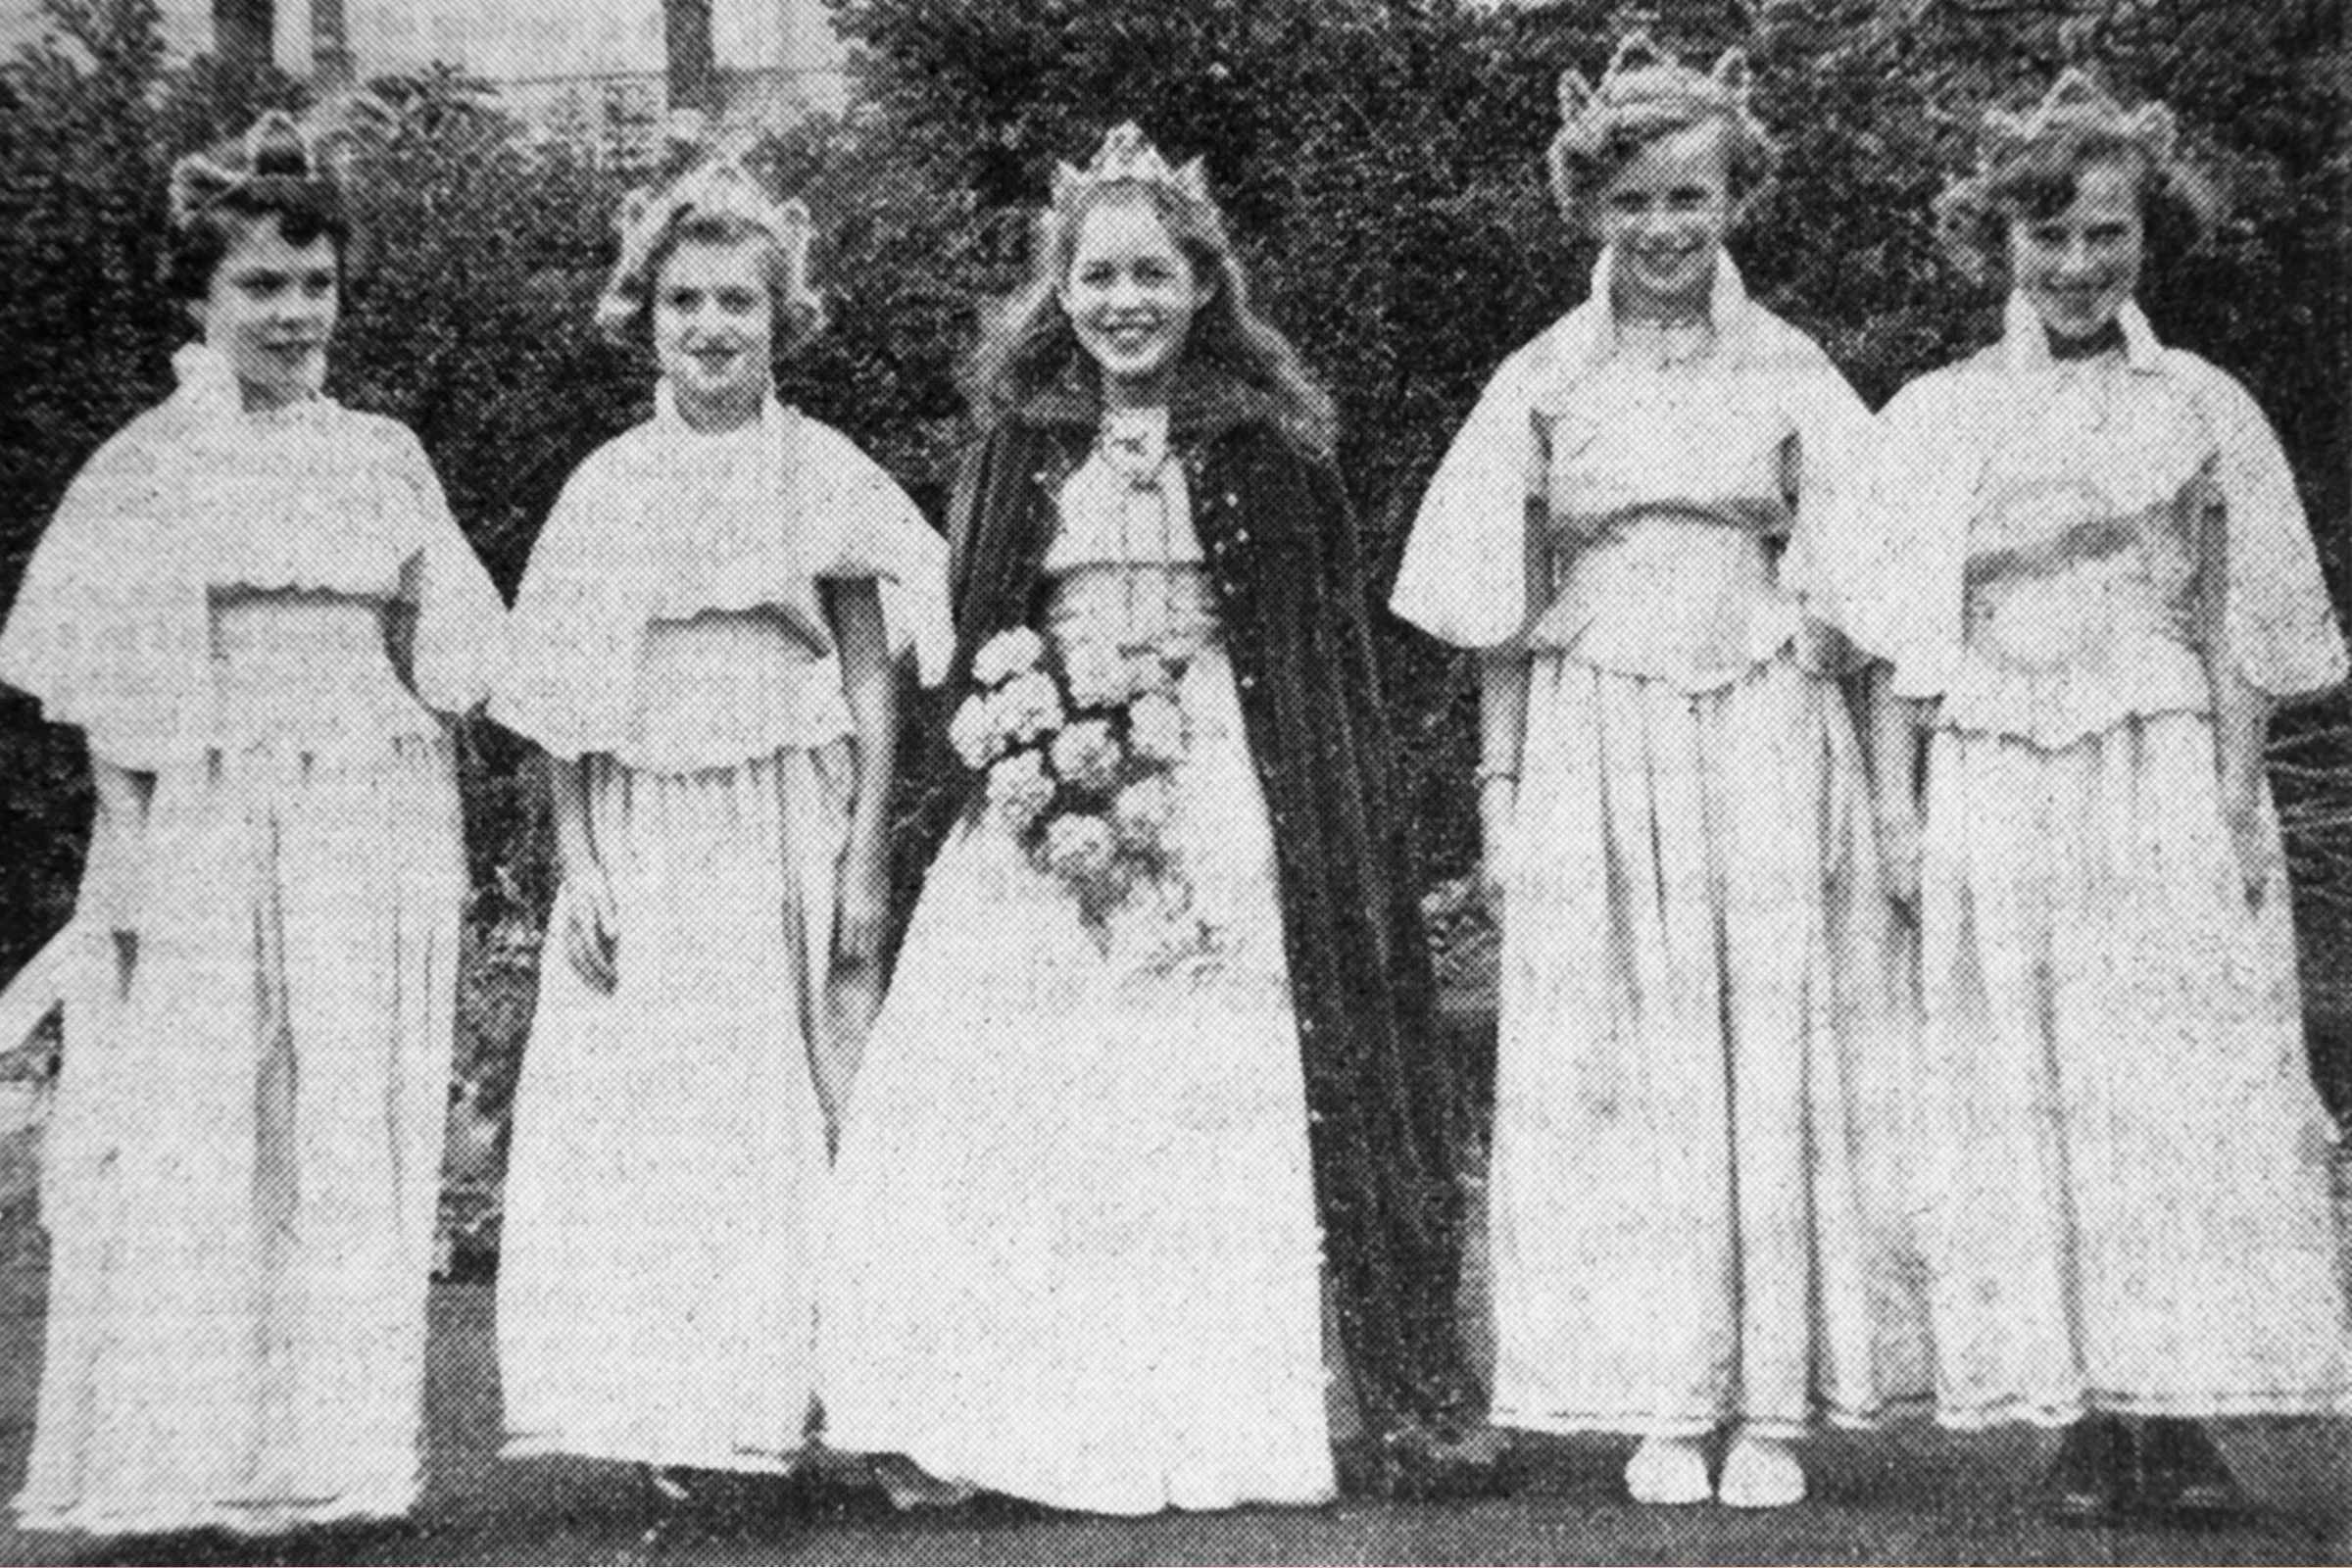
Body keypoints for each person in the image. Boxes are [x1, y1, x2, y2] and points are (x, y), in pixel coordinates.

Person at [821, 122, 1491, 1515]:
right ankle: (989, 1418)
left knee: (1201, 1091)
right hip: (1044, 788)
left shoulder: (1269, 448)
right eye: (1096, 278)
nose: (1125, 303)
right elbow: (972, 628)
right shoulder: (1020, 444)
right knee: (1007, 1086)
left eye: (1153, 275)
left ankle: (1200, 1415)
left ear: (1203, 288)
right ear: (1057, 295)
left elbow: (1323, 664)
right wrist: (1016, 743)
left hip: (1221, 783)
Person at [1393, 34, 1924, 1509]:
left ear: (1733, 198)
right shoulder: (1545, 377)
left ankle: (1766, 1400)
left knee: (1761, 1045)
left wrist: (1882, 793)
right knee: (1629, 1055)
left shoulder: (1793, 367)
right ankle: (1661, 1397)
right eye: (1635, 203)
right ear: (1592, 210)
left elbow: (1875, 592)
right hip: (1598, 733)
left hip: (1760, 723)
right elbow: (1492, 605)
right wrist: (1496, 799)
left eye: (1691, 198)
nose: (1667, 231)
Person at [1840, 68, 2350, 1525]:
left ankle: (2174, 1410)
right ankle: (2074, 1416)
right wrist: (1897, 820)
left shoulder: (2202, 404)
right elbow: (1895, 647)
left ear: (2147, 238)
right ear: (1998, 239)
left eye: (2105, 236)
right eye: (2046, 237)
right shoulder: (1937, 417)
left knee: (2166, 1081)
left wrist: (2240, 800)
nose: (2075, 267)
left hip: (2156, 763)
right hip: (1998, 768)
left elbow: (2242, 620)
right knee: (2027, 1081)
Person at [0, 108, 507, 1540]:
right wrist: (136, 864)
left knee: (344, 1118)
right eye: (261, 288)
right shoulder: (153, 462)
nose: (293, 314)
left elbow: (452, 644)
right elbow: (112, 695)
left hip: (367, 805)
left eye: (315, 285)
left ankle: (326, 1460)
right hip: (212, 813)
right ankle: (182, 1463)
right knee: (204, 1121)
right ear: (200, 300)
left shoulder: (385, 452)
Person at [491, 138, 950, 1483]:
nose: (710, 327)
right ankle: (685, 1413)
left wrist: (865, 851)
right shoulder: (609, 486)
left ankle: (858, 1410)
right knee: (675, 1111)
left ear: (782, 318)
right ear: (648, 314)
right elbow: (566, 708)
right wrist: (581, 865)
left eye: (737, 303)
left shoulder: (823, 469)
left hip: (796, 814)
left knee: (828, 1085)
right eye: (685, 301)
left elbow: (871, 676)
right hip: (653, 822)